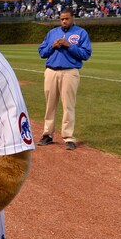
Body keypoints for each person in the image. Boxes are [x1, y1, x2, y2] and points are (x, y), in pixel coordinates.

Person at [37, 9, 92, 150]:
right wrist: (52, 46)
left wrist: (69, 46)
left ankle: (68, 137)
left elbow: (86, 54)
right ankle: (47, 135)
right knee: (50, 105)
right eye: (62, 19)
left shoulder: (81, 33)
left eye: (67, 18)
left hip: (70, 72)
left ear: (72, 18)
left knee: (68, 106)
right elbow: (42, 52)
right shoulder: (52, 33)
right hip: (51, 72)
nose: (64, 21)